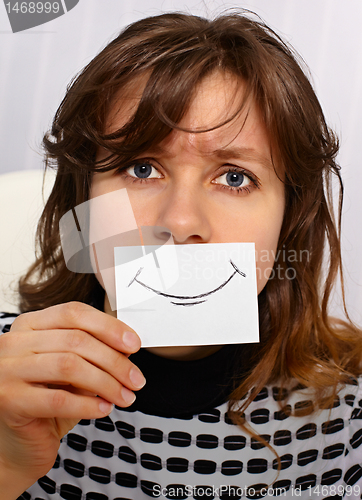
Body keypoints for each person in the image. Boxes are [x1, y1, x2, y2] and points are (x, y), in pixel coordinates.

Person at [1, 11, 362, 500]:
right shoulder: (8, 377)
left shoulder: (350, 414)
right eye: (142, 168)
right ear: (82, 204)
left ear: (287, 220)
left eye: (235, 177)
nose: (182, 221)